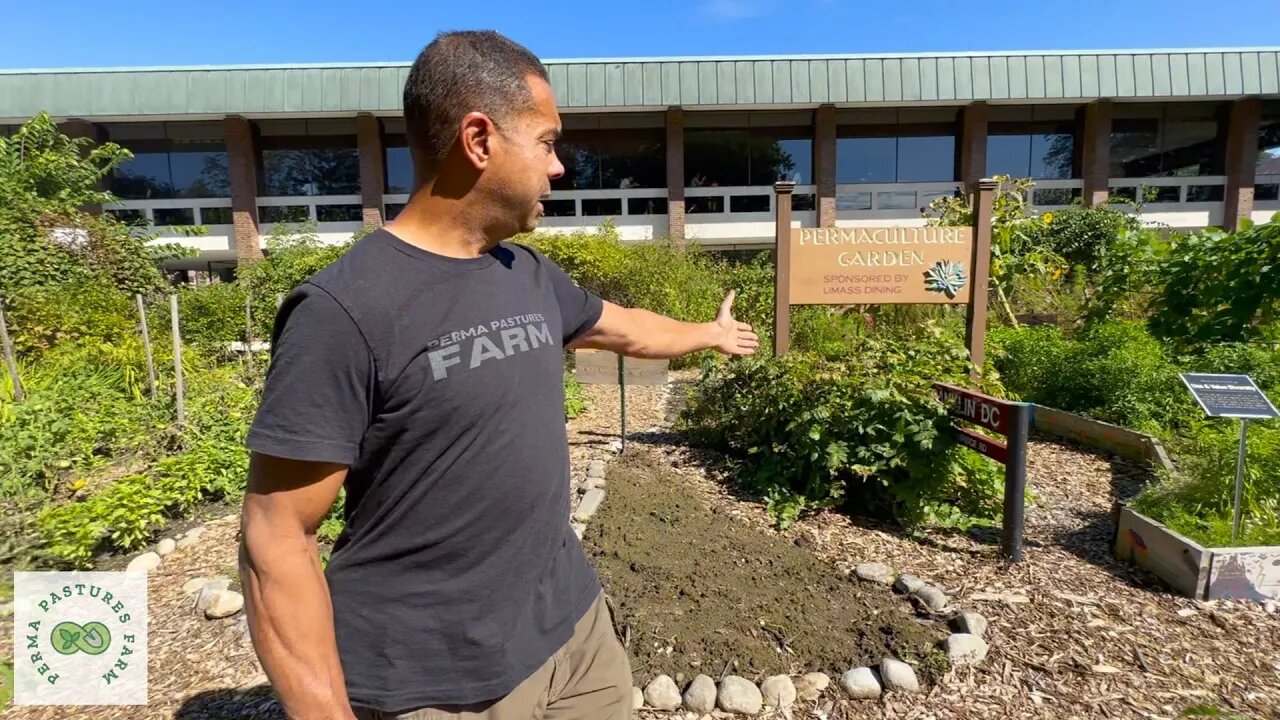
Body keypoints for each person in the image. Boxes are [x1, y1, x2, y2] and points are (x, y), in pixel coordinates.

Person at [237, 30, 759, 720]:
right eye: (546, 142)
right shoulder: (343, 311)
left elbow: (624, 325)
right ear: (478, 140)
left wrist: (710, 334)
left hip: (574, 634)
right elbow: (276, 538)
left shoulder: (528, 273)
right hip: (437, 683)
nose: (559, 168)